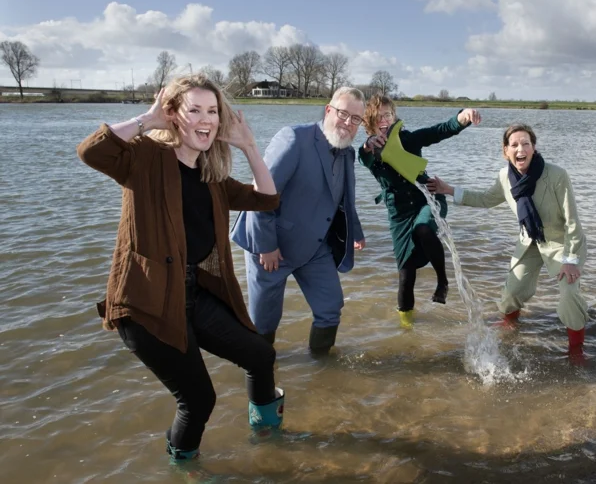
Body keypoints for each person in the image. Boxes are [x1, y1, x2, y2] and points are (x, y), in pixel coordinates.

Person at [76, 73, 284, 462]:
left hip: (194, 294)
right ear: (174, 114)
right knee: (199, 399)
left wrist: (249, 146)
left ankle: (269, 436)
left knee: (260, 355)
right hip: (146, 305)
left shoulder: (212, 176)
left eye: (213, 111)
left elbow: (267, 199)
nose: (206, 120)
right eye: (195, 110)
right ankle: (183, 467)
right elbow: (91, 152)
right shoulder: (144, 158)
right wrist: (147, 120)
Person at [427, 123, 589, 361]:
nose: (520, 149)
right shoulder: (505, 177)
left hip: (562, 243)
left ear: (534, 148)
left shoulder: (557, 175)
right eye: (514, 145)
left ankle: (576, 350)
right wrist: (448, 189)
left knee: (569, 294)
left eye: (525, 144)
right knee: (512, 292)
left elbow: (573, 221)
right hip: (530, 241)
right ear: (506, 151)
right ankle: (510, 322)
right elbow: (485, 199)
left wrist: (571, 260)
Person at [230, 87, 366, 356]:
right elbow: (260, 194)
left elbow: (344, 199)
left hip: (315, 247)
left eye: (355, 119)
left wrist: (356, 232)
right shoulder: (293, 138)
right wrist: (266, 246)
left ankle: (322, 366)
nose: (347, 123)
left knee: (331, 306)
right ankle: (262, 369)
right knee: (265, 321)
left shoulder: (347, 153)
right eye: (343, 114)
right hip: (271, 247)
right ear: (328, 110)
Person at [358, 94, 481, 328]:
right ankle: (406, 329)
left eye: (388, 115)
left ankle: (442, 282)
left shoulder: (409, 139)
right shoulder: (368, 150)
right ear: (370, 123)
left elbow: (438, 131)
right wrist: (369, 144)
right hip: (399, 213)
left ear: (394, 117)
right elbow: (364, 156)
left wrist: (462, 118)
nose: (385, 120)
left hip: (427, 198)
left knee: (423, 228)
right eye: (379, 117)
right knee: (405, 274)